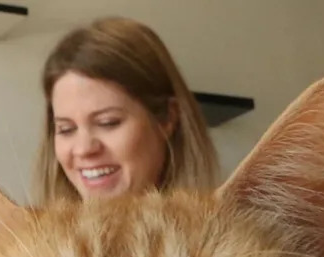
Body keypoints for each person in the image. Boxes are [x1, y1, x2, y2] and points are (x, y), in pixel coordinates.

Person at [35, 17, 219, 203]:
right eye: (66, 129)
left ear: (168, 118)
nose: (84, 149)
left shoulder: (230, 229)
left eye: (107, 123)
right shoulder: (22, 231)